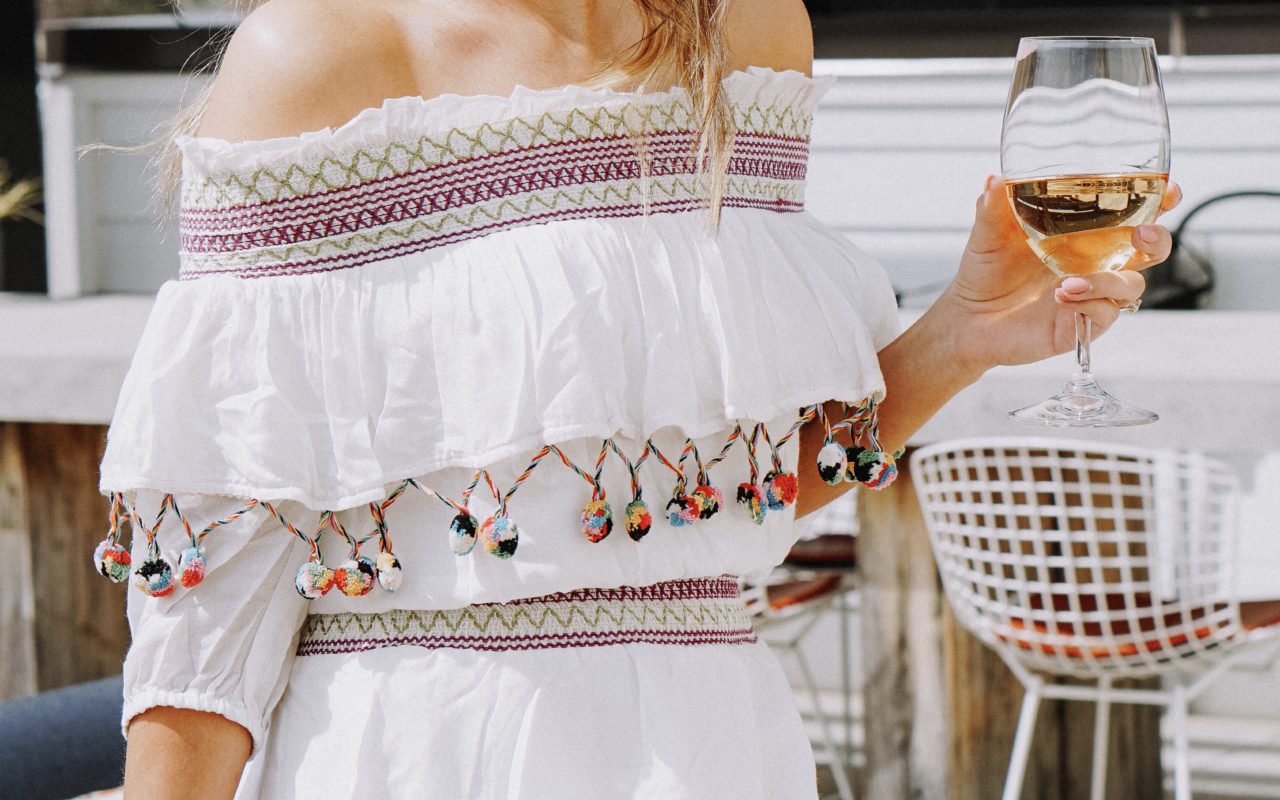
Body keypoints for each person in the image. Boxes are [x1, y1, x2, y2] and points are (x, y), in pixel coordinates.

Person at [95, 0, 1178, 797]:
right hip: (429, 750)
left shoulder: (748, 40)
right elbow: (215, 583)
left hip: (720, 746)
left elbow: (705, 495)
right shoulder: (318, 55)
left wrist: (959, 334)